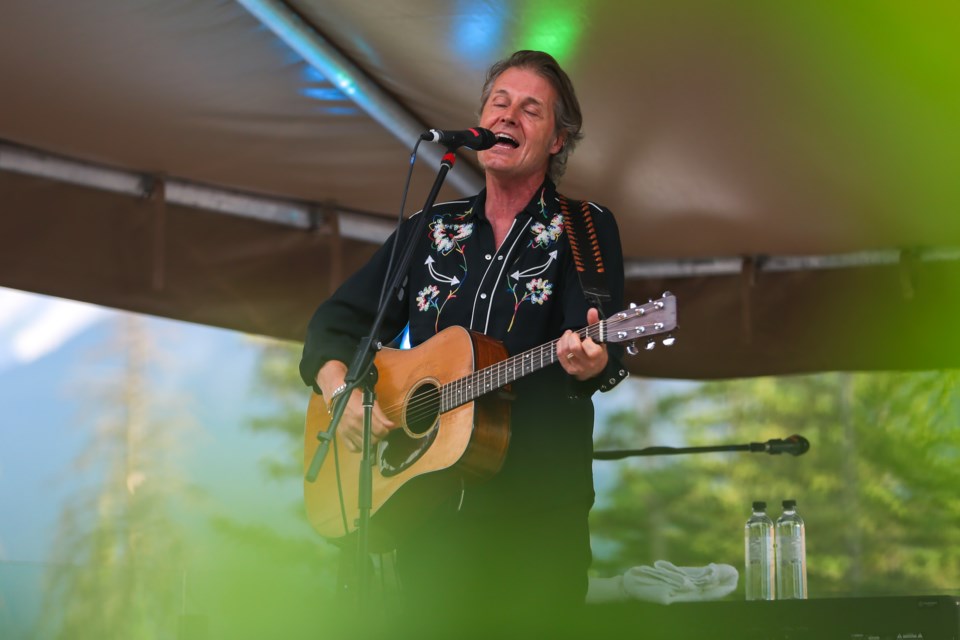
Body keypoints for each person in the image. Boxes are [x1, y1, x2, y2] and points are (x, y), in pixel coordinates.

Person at [299, 50, 626, 624]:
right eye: (499, 102)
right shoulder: (432, 229)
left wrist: (590, 362)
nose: (508, 117)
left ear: (557, 140)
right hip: (429, 519)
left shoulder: (583, 227)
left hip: (537, 517)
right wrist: (340, 390)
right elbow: (334, 325)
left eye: (531, 109)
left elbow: (600, 342)